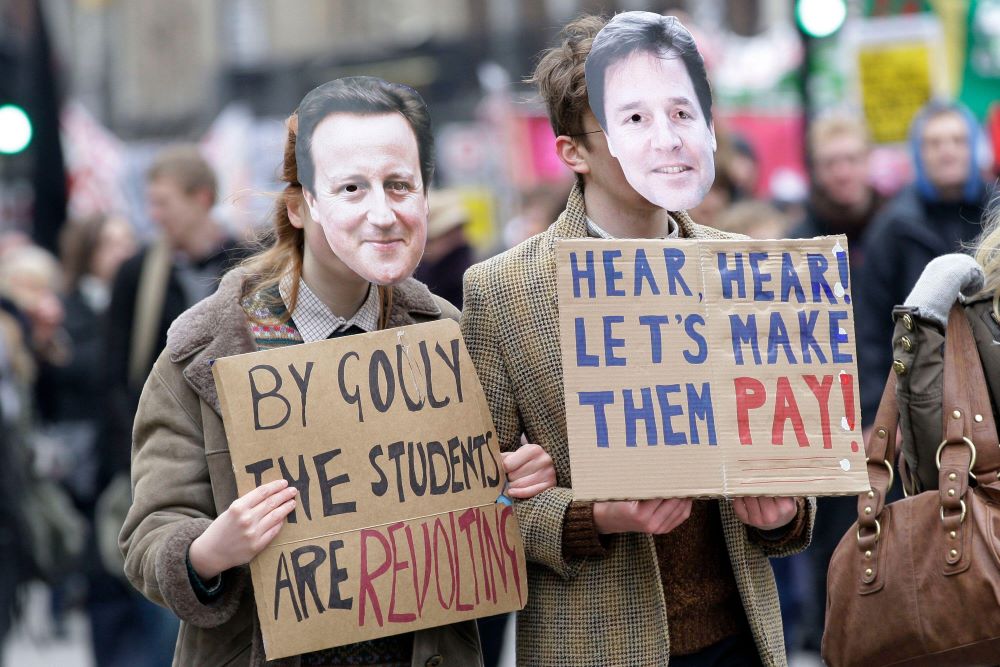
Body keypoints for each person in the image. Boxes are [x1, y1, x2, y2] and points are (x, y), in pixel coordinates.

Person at [119, 76, 554, 666]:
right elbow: (149, 537)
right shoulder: (206, 350)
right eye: (351, 188)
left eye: (400, 185)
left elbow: (490, 527)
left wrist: (512, 485)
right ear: (301, 206)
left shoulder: (452, 339)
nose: (383, 213)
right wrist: (209, 550)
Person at [461, 13, 813, 667]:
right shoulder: (502, 291)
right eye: (633, 121)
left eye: (681, 114)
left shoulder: (746, 269)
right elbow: (482, 510)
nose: (667, 139)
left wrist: (785, 511)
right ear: (573, 151)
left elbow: (793, 467)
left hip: (740, 637)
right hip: (595, 643)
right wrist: (594, 516)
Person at [104, 145, 249, 483]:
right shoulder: (137, 272)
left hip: (239, 444)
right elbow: (115, 374)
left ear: (201, 198)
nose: (154, 215)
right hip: (163, 449)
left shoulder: (250, 264)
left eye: (163, 203)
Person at [856, 100, 991, 428]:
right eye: (934, 143)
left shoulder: (995, 218)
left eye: (958, 141)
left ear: (974, 147)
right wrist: (877, 416)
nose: (947, 151)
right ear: (918, 153)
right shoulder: (893, 228)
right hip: (919, 403)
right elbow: (870, 329)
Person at [791, 113, 883, 267]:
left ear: (869, 160)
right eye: (830, 163)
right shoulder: (800, 242)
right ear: (816, 170)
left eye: (852, 159)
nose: (842, 174)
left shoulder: (895, 226)